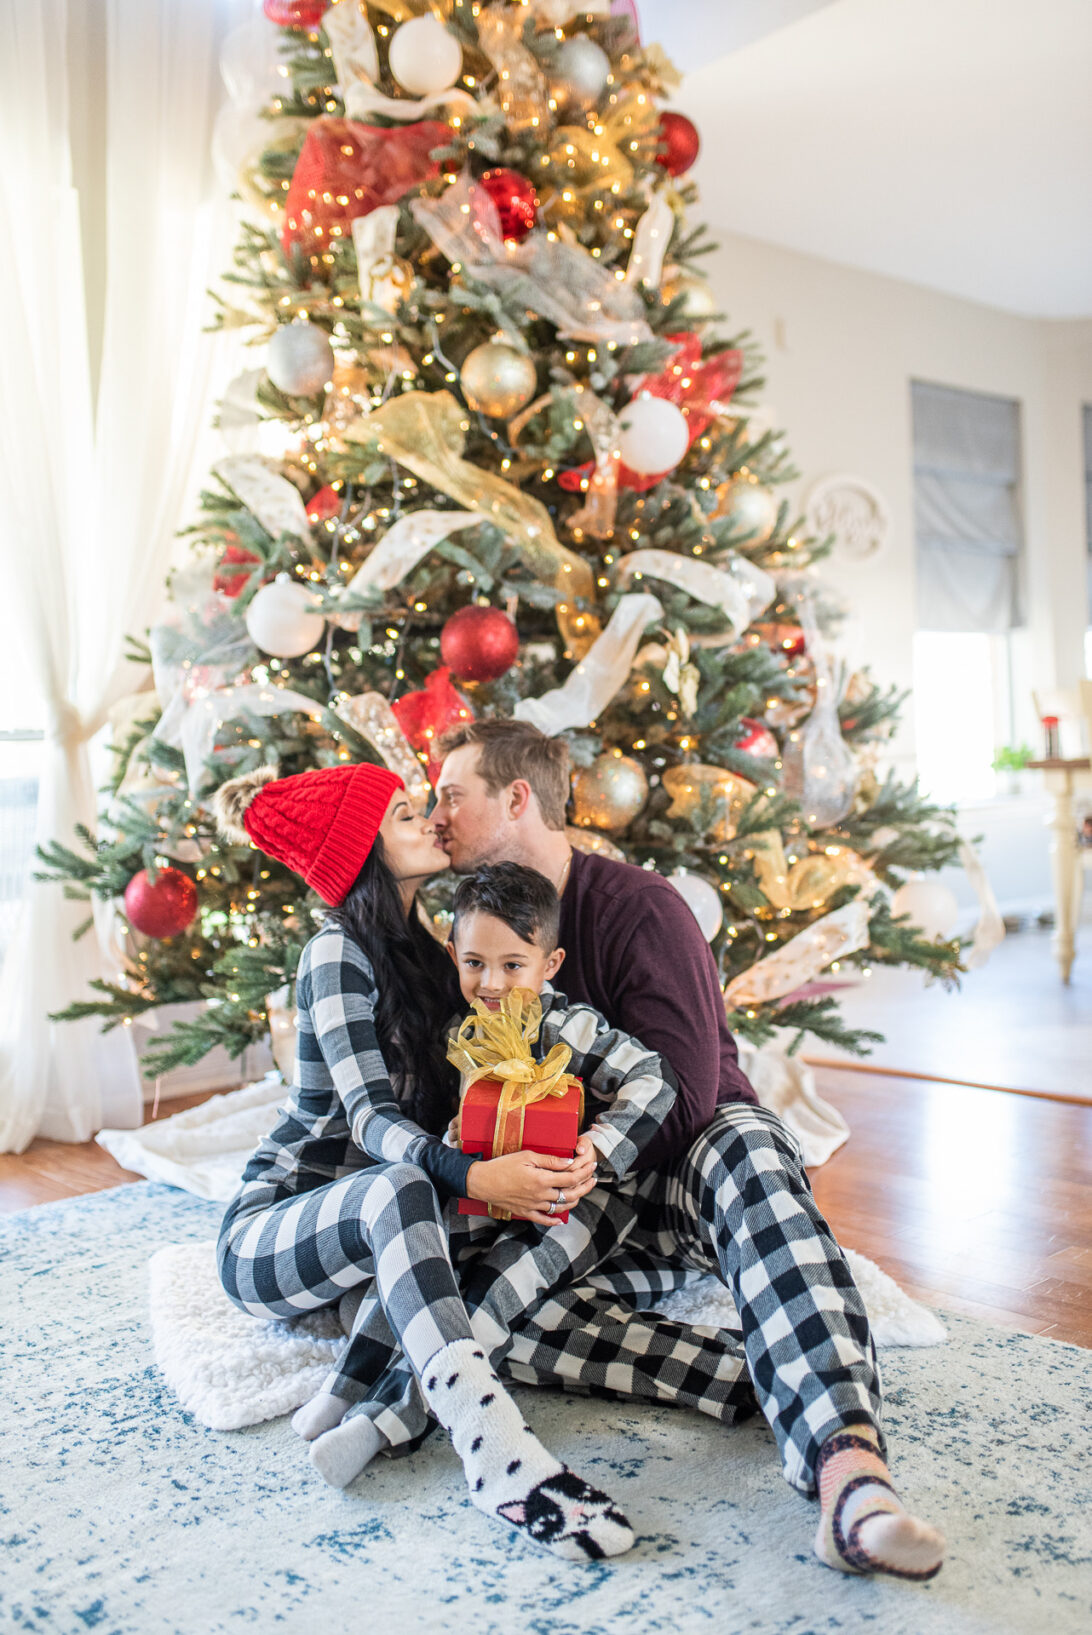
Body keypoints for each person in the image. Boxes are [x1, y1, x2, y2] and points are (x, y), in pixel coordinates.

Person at [430, 718, 947, 1583]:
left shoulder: (639, 907)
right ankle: (751, 1376)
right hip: (570, 1211)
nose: (436, 815)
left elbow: (689, 1090)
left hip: (683, 1167)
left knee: (745, 1148)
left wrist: (592, 1154)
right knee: (482, 1312)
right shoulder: (469, 937)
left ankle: (850, 1477)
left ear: (516, 798)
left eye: (453, 794)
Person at [210, 759, 632, 1562]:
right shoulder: (334, 952)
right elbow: (370, 1121)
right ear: (362, 854)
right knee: (410, 1182)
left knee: (504, 1253)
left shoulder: (435, 953)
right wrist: (471, 1176)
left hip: (376, 1239)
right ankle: (495, 1451)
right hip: (274, 1232)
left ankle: (367, 1399)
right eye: (405, 815)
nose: (431, 821)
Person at [304, 860, 760, 1485]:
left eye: (513, 966)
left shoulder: (565, 1024)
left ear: (549, 964)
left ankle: (385, 1422)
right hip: (487, 1190)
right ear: (452, 954)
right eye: (474, 964)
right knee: (421, 1259)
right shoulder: (461, 1030)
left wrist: (595, 1151)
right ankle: (346, 1382)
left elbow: (657, 1080)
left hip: (568, 1196)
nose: (491, 982)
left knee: (495, 1289)